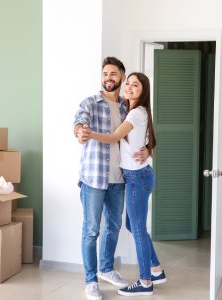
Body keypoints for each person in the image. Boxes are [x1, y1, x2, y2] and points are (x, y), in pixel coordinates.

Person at [73, 57, 149, 300]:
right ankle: (90, 280)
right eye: (105, 73)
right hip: (94, 178)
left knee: (114, 227)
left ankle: (106, 268)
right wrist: (80, 132)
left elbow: (139, 136)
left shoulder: (129, 107)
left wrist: (148, 148)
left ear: (122, 77)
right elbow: (79, 123)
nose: (108, 78)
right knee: (91, 230)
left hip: (119, 178)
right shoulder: (91, 103)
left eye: (113, 74)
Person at [87, 72, 166, 297]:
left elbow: (113, 137)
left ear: (143, 91)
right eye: (128, 83)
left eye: (135, 85)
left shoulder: (135, 113)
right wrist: (149, 150)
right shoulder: (133, 110)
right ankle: (157, 270)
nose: (129, 88)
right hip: (139, 176)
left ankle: (145, 282)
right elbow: (149, 140)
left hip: (136, 178)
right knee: (133, 227)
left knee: (138, 230)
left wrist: (89, 134)